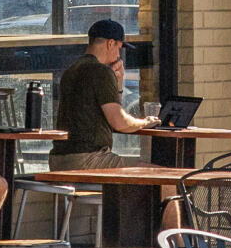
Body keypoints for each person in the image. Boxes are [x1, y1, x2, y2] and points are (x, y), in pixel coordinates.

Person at [48, 17, 160, 171]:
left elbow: (110, 113)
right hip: (87, 159)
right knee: (159, 175)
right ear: (110, 43)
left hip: (58, 159)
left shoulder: (71, 70)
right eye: (119, 48)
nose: (118, 55)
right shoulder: (101, 71)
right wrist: (145, 122)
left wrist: (118, 83)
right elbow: (118, 121)